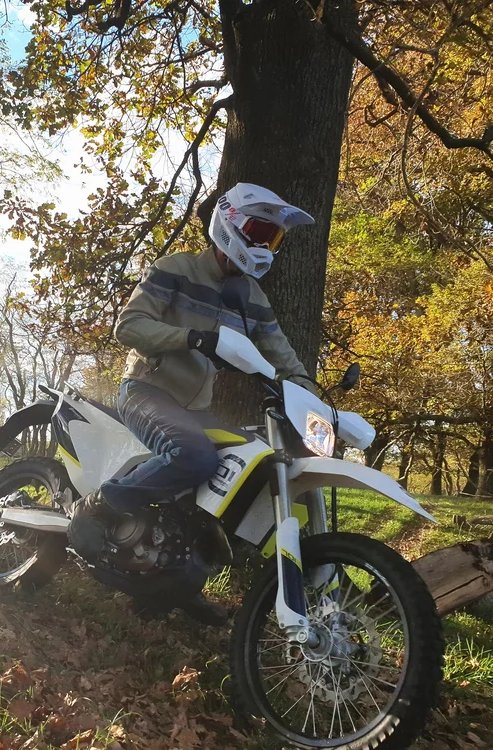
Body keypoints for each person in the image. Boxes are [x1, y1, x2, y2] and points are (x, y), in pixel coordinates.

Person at [67, 183, 316, 625]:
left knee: (237, 480)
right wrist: (192, 337)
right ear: (229, 225)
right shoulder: (175, 269)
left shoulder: (254, 298)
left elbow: (281, 353)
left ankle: (172, 585)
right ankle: (101, 505)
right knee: (194, 456)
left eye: (273, 238)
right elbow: (129, 326)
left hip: (197, 408)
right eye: (259, 231)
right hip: (147, 391)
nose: (263, 246)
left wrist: (309, 393)